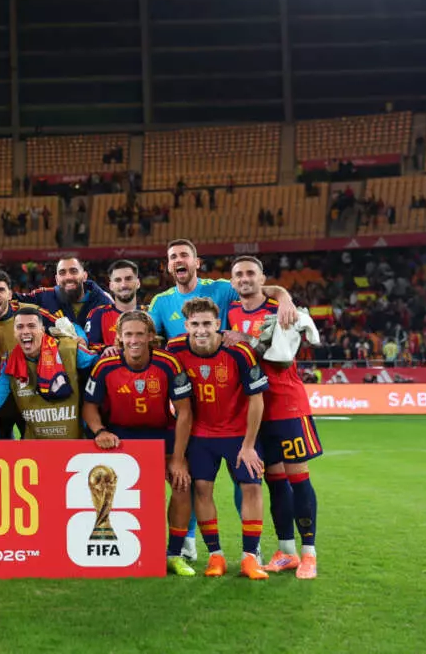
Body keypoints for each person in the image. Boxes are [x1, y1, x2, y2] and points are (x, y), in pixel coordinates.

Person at [82, 311, 196, 576]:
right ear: (119, 338)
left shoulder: (168, 363)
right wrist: (99, 431)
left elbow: (185, 412)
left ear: (151, 337)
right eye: (129, 334)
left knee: (182, 485)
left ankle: (175, 555)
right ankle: (124, 550)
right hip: (121, 437)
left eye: (140, 334)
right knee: (111, 493)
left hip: (161, 433)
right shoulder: (105, 365)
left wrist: (178, 459)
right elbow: (89, 407)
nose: (134, 340)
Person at [228, 256, 320, 579]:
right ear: (232, 281)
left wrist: (281, 297)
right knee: (275, 482)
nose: (245, 279)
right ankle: (287, 551)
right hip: (254, 410)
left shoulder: (280, 310)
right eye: (238, 274)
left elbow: (281, 362)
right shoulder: (229, 311)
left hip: (286, 405)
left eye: (251, 273)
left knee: (299, 479)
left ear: (262, 277)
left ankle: (309, 553)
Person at [166, 298, 270, 580]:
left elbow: (257, 400)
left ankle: (250, 557)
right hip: (200, 435)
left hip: (238, 434)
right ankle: (216, 556)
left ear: (218, 324)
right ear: (187, 325)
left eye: (207, 324)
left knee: (251, 487)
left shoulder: (239, 352)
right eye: (195, 324)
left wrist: (249, 445)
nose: (201, 330)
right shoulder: (174, 350)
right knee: (202, 490)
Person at [148, 239, 296, 343]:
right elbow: (149, 336)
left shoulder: (222, 289)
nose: (179, 260)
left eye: (184, 255)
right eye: (173, 257)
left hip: (222, 373)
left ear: (197, 263)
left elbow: (256, 291)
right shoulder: (160, 301)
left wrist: (284, 298)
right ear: (168, 266)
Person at [0, 307, 83, 439]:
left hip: (76, 446)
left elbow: (98, 387)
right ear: (14, 332)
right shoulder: (10, 362)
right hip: (35, 448)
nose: (25, 331)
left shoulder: (70, 349)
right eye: (20, 327)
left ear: (42, 330)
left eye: (31, 326)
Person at [27, 257, 113, 328]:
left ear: (84, 276)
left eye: (73, 271)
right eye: (62, 273)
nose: (68, 277)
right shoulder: (44, 296)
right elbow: (16, 300)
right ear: (57, 280)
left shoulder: (103, 302)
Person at [84, 260, 141, 355]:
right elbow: (89, 344)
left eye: (128, 279)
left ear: (138, 283)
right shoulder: (98, 313)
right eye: (118, 280)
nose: (123, 285)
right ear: (111, 285)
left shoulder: (150, 312)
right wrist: (106, 348)